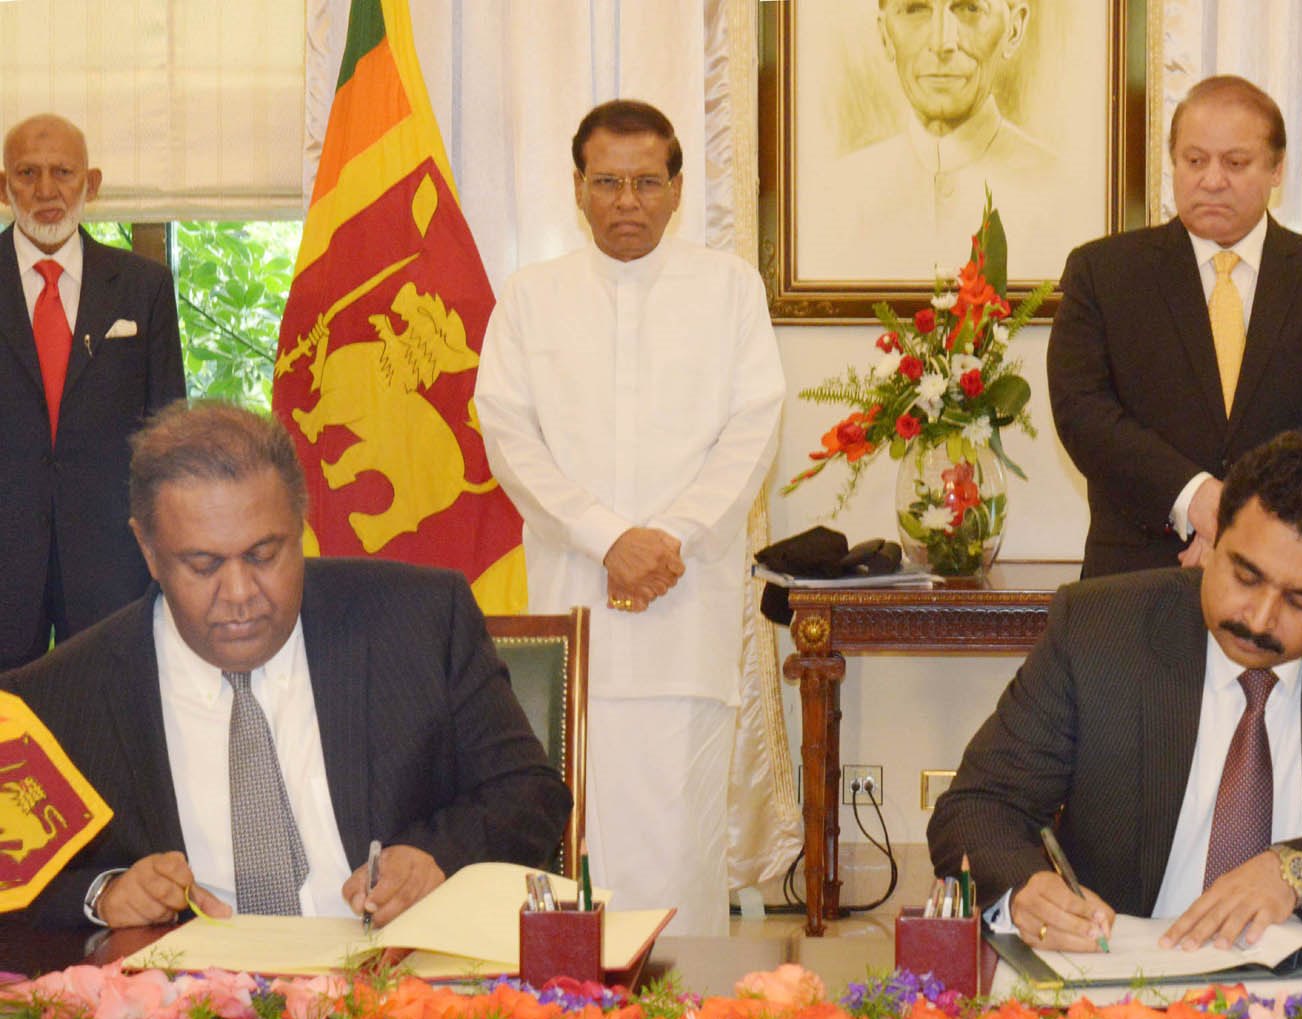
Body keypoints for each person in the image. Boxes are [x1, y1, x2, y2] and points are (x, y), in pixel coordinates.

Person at [2, 401, 571, 930]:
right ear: (148, 550)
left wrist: (434, 859)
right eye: (202, 564)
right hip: (184, 1013)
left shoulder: (419, 622)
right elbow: (12, 880)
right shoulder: (56, 698)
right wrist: (104, 895)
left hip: (391, 992)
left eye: (263, 554)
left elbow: (530, 795)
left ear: (300, 526)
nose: (240, 592)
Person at [927, 430, 1302, 953]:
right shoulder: (1101, 629)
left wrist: (1298, 871)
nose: (1260, 618)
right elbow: (979, 805)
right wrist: (1027, 888)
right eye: (1245, 576)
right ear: (1212, 540)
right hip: (1126, 971)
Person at [475, 100, 784, 937]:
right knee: (575, 831)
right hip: (574, 614)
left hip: (686, 613)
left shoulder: (729, 289)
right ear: (577, 187)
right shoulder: (532, 297)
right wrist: (608, 538)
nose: (627, 200)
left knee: (680, 839)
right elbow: (507, 433)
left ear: (677, 189)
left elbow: (753, 427)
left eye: (647, 182)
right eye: (607, 181)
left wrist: (667, 539)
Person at [1048, 76, 1302, 578]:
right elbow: (1083, 412)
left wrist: (1245, 520)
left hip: (1289, 576)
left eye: (1235, 163)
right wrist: (1195, 499)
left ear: (1277, 169)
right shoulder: (1103, 273)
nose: (1211, 180)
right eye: (1194, 160)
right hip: (1135, 578)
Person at [0, 114, 186, 670]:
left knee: (109, 727)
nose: (46, 190)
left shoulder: (143, 287)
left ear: (93, 183)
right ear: (3, 185)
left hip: (114, 561)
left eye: (63, 171)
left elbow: (168, 431)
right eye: (28, 173)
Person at [810, 0, 1069, 280]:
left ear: (1014, 29)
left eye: (970, 8)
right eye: (915, 9)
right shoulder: (834, 198)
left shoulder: (1061, 190)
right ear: (885, 35)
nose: (942, 42)